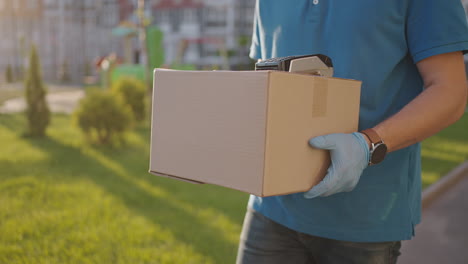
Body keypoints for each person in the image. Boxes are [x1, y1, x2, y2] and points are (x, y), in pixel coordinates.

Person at [236, 1, 468, 263]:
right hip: (270, 207)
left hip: (364, 218)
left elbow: (450, 91)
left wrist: (367, 144)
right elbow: (265, 76)